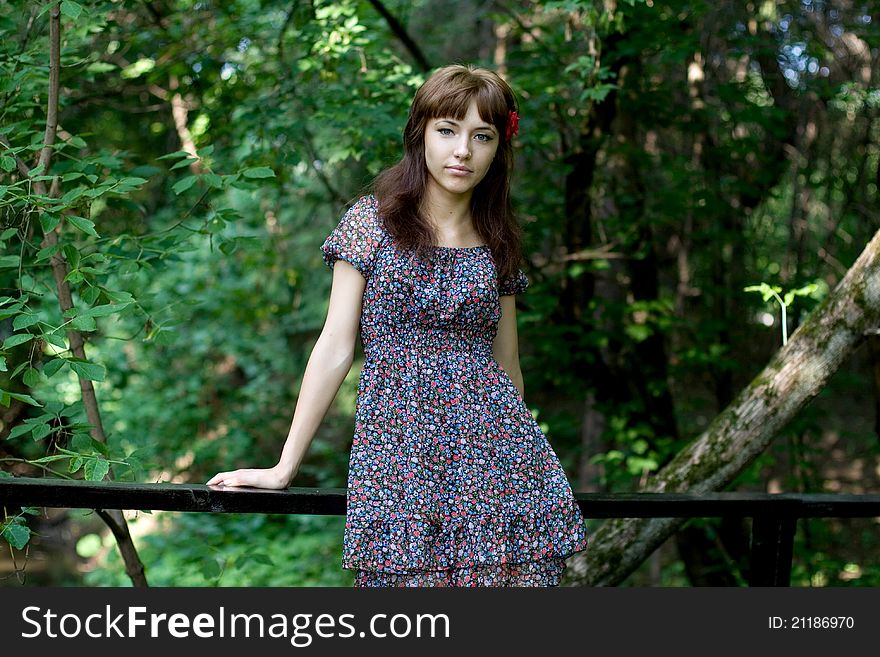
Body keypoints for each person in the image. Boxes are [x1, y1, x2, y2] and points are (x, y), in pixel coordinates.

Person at [207, 64, 589, 587]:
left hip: (500, 464)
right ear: (420, 133)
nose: (463, 151)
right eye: (447, 131)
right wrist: (283, 467)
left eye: (482, 137)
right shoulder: (372, 222)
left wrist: (518, 458)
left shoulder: (498, 238)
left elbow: (508, 368)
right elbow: (335, 347)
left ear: (499, 147)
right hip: (400, 458)